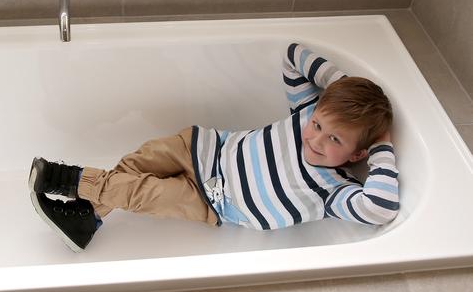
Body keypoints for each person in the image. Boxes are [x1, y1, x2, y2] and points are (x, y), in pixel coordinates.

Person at [28, 43, 399, 252]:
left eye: (334, 140)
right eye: (319, 126)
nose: (315, 139)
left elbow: (380, 208)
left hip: (211, 203)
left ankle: (69, 178)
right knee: (135, 163)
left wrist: (382, 145)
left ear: (356, 154)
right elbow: (293, 54)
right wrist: (339, 88)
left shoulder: (333, 191)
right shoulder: (308, 112)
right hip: (203, 147)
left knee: (141, 192)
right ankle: (88, 219)